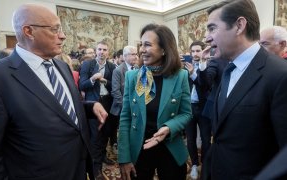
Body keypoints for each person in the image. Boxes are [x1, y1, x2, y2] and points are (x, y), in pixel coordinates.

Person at [0, 4, 108, 180]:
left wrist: (90, 107)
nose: (63, 35)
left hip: (77, 168)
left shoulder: (62, 66)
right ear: (28, 31)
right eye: (54, 29)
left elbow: (57, 106)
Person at [202, 0, 287, 179]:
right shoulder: (228, 69)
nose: (206, 38)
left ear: (239, 26)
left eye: (212, 28)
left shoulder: (280, 75)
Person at [118, 23, 192, 180]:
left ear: (164, 49)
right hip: (139, 148)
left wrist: (168, 128)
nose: (141, 50)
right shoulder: (133, 77)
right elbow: (125, 118)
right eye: (141, 45)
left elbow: (186, 113)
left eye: (147, 45)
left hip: (170, 146)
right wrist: (124, 157)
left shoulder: (180, 76)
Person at [79, 40, 116, 179]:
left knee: (106, 134)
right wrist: (93, 79)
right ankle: (96, 169)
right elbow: (82, 86)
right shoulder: (88, 65)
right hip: (93, 104)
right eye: (99, 49)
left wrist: (105, 81)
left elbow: (115, 86)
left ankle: (102, 156)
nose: (102, 52)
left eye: (105, 50)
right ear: (95, 51)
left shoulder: (112, 67)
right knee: (95, 136)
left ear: (108, 52)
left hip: (108, 103)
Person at [183, 41, 211, 180]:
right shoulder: (184, 68)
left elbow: (205, 86)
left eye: (198, 50)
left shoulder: (207, 66)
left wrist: (193, 73)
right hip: (188, 108)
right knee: (190, 138)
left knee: (206, 139)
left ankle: (205, 165)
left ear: (203, 51)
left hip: (203, 107)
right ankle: (194, 164)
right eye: (193, 51)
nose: (195, 54)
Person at [110, 45, 139, 154]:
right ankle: (121, 151)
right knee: (122, 131)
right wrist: (127, 107)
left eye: (136, 54)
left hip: (136, 107)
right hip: (122, 107)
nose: (136, 57)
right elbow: (115, 92)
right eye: (133, 54)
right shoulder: (118, 70)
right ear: (125, 56)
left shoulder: (137, 68)